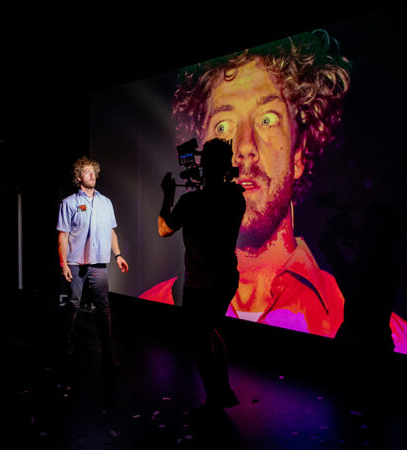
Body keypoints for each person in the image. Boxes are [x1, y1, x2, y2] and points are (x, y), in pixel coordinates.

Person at [140, 30, 407, 353]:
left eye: (268, 119)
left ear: (298, 155)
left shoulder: (392, 335)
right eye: (223, 126)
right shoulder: (153, 307)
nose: (244, 148)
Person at [158, 138, 246, 408]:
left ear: (202, 164)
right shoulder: (236, 197)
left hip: (199, 285)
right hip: (225, 279)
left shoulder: (191, 201)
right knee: (209, 329)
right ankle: (224, 390)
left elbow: (164, 229)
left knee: (200, 341)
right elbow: (219, 197)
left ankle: (215, 398)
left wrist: (168, 196)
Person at [57, 156, 129, 366]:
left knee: (103, 306)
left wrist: (118, 255)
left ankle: (108, 350)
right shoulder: (69, 203)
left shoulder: (106, 202)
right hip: (75, 262)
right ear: (78, 177)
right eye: (87, 172)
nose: (92, 175)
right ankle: (67, 339)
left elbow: (111, 232)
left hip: (98, 264)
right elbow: (62, 235)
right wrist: (63, 263)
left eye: (94, 172)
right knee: (73, 303)